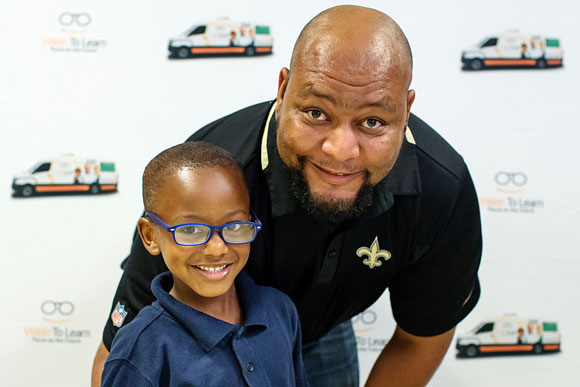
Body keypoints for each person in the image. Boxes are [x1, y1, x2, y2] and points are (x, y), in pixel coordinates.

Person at [92, 5, 482, 387]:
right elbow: (122, 348)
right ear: (283, 90)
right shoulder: (210, 175)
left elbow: (420, 339)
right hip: (197, 335)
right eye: (316, 113)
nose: (340, 150)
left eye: (372, 122)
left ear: (407, 111)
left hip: (316, 328)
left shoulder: (441, 188)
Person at [101, 141, 308, 386]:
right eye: (190, 230)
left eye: (233, 226)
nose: (217, 248)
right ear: (150, 236)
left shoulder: (280, 310)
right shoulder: (141, 349)